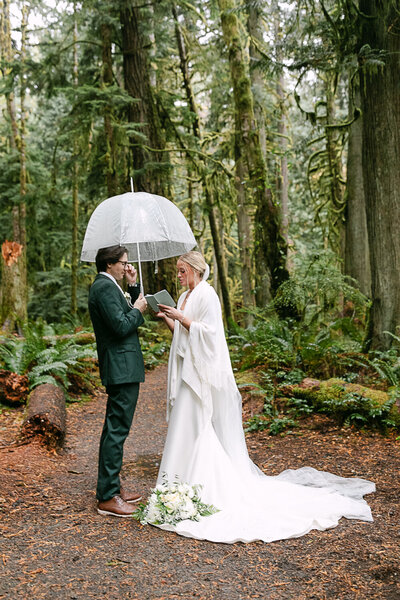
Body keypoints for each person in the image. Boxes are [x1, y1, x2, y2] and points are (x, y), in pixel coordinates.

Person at [155, 251, 375, 543]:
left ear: (197, 270)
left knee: (197, 429)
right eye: (178, 271)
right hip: (186, 371)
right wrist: (169, 318)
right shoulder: (183, 296)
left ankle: (201, 488)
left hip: (199, 375)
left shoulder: (208, 296)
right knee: (183, 429)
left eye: (183, 271)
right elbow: (182, 337)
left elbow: (210, 336)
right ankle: (176, 487)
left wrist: (182, 317)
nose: (179, 276)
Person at [89, 245, 147, 517]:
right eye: (124, 263)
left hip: (124, 366)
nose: (127, 267)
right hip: (120, 367)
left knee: (115, 429)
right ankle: (108, 497)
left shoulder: (111, 285)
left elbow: (129, 317)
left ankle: (112, 487)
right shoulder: (103, 288)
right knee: (116, 430)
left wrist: (133, 287)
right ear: (110, 264)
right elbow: (123, 325)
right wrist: (138, 308)